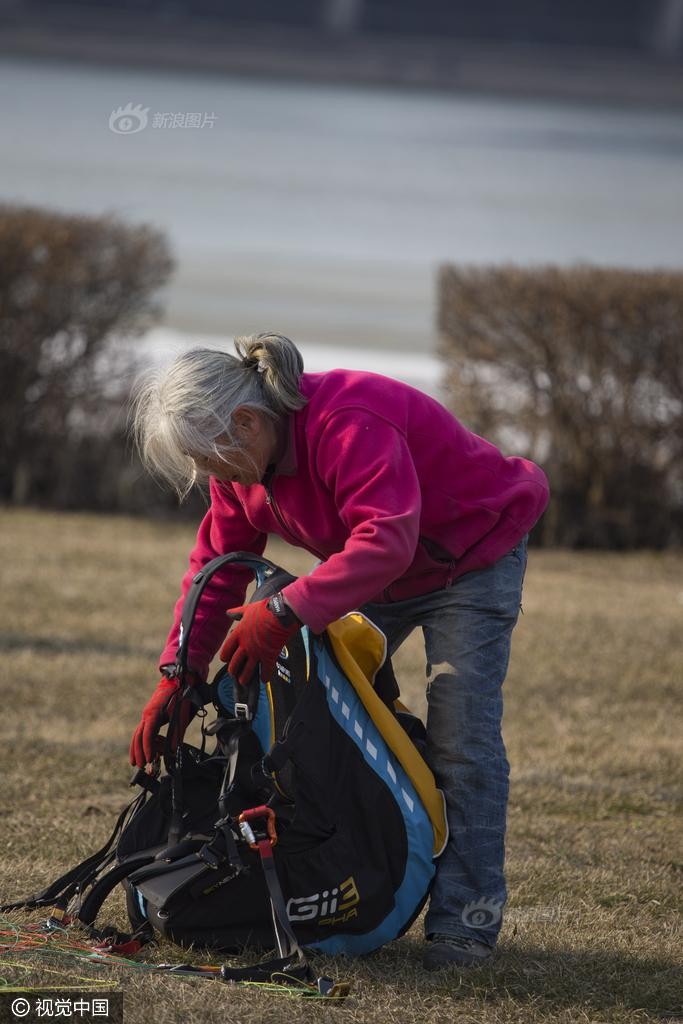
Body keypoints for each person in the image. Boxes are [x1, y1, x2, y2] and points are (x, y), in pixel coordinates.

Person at [129, 332, 549, 971]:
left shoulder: (350, 420)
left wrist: (284, 610)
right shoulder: (244, 463)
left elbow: (387, 540)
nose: (214, 477)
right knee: (314, 727)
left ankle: (465, 922)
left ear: (247, 422)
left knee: (462, 734)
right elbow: (215, 565)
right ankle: (334, 879)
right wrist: (179, 674)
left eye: (212, 460)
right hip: (377, 570)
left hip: (470, 559)